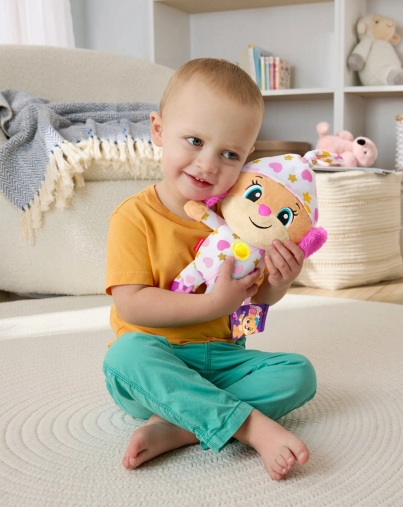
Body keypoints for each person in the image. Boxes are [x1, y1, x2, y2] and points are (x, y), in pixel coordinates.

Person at [102, 58, 316, 481]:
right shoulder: (133, 217)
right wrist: (214, 304)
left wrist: (278, 283)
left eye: (229, 154)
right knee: (123, 356)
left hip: (221, 358)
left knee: (299, 375)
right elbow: (132, 306)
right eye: (195, 140)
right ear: (159, 130)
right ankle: (248, 426)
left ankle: (180, 427)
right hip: (156, 362)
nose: (208, 164)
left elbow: (250, 311)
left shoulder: (245, 222)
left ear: (247, 157)